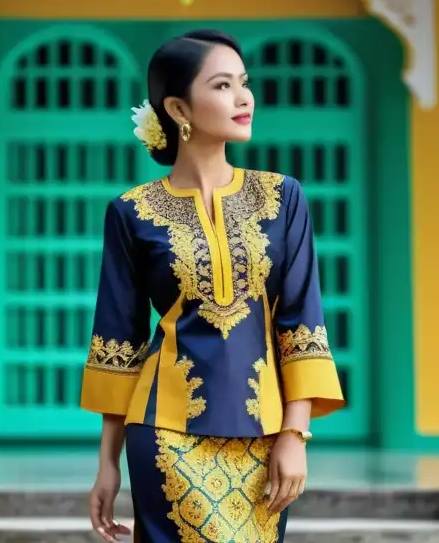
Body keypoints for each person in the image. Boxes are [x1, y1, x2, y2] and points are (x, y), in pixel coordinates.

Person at [80, 29, 345, 542]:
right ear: (178, 107)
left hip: (265, 434)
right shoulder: (131, 212)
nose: (244, 98)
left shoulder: (283, 198)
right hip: (164, 431)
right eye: (223, 86)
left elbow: (301, 319)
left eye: (244, 83)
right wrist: (108, 465)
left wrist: (296, 435)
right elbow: (120, 341)